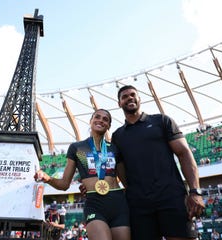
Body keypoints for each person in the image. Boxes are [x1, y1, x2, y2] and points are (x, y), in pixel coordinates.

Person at [81, 85, 205, 240]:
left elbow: (184, 153)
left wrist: (195, 191)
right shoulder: (118, 136)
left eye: (133, 94)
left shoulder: (162, 121)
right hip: (138, 205)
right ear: (119, 103)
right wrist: (93, 185)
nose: (130, 98)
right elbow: (115, 171)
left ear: (139, 98)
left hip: (171, 197)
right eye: (124, 96)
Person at [34, 109, 131, 240]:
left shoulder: (114, 148)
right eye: (97, 117)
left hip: (118, 203)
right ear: (91, 121)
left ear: (108, 126)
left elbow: (126, 182)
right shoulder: (77, 148)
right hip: (95, 204)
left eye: (105, 119)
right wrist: (47, 178)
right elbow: (64, 185)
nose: (101, 120)